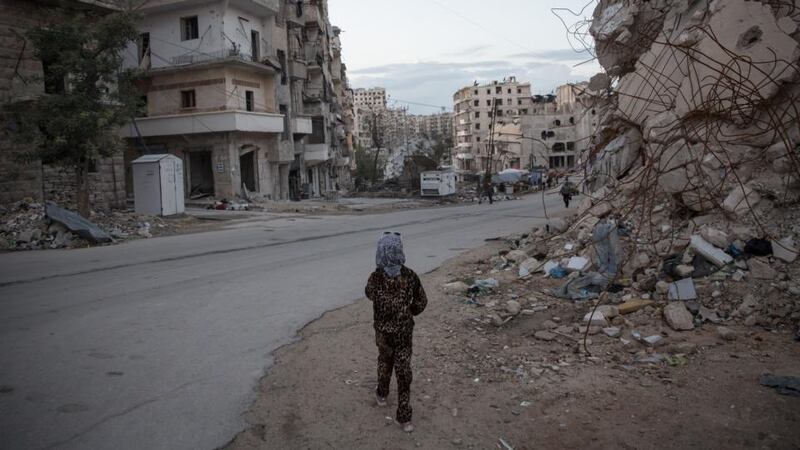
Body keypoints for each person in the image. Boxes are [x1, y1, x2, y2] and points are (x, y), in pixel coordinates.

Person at [365, 232, 428, 433]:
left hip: (383, 333)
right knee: (403, 370)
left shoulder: (375, 277)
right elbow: (421, 301)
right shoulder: (410, 276)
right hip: (403, 333)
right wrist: (410, 312)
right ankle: (404, 418)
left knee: (385, 362)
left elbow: (368, 294)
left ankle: (382, 394)